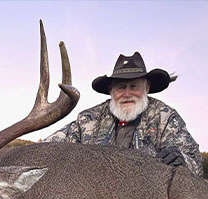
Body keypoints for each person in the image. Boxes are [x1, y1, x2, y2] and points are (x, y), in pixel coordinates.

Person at [45, 51, 203, 177]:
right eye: (121, 87)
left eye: (134, 86)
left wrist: (183, 161)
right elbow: (48, 148)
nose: (127, 94)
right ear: (111, 90)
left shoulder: (165, 117)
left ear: (146, 88)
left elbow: (196, 165)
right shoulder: (88, 120)